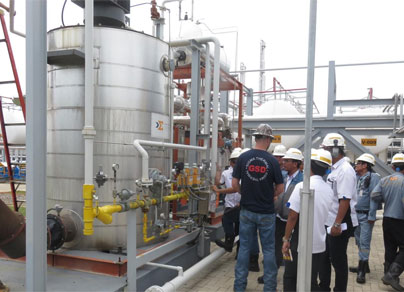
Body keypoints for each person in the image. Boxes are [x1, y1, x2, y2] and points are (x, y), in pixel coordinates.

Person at [232, 123, 284, 292]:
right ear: (268, 139)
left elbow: (234, 184)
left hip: (247, 211)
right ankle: (269, 288)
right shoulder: (272, 161)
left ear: (256, 137)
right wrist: (271, 196)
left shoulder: (243, 158)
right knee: (268, 250)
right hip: (267, 213)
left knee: (244, 248)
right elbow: (281, 189)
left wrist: (244, 194)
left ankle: (239, 287)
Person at [282, 149, 333, 291]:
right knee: (310, 279)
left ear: (309, 165)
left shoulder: (302, 187)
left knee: (291, 277)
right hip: (319, 242)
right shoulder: (328, 190)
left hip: (300, 241)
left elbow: (292, 216)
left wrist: (286, 239)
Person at [257, 147, 303, 284]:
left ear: (295, 163)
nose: (283, 162)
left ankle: (294, 277)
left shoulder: (302, 180)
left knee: (292, 249)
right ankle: (270, 275)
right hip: (278, 218)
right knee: (275, 248)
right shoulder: (282, 176)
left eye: (287, 160)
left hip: (294, 220)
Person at [319, 133, 358, 292]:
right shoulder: (334, 169)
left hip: (340, 222)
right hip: (330, 220)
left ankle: (339, 289)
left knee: (338, 260)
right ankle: (324, 287)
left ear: (335, 150)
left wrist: (337, 224)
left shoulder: (345, 170)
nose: (324, 152)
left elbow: (345, 200)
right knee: (325, 257)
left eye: (327, 149)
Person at [370, 152, 404, 291]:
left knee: (390, 248)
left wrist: (387, 199)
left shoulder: (385, 180)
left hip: (387, 219)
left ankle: (388, 275)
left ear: (393, 166)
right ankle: (392, 274)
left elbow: (374, 195)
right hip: (401, 220)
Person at [348, 153, 380, 284]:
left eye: (359, 163)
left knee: (365, 243)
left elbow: (374, 197)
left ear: (365, 165)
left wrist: (372, 215)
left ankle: (362, 271)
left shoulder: (373, 177)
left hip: (366, 216)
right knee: (359, 241)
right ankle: (364, 265)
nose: (356, 165)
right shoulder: (356, 177)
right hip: (355, 214)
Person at [213, 148, 242, 254]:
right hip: (230, 204)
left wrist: (219, 191)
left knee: (240, 229)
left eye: (238, 161)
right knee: (227, 222)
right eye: (234, 161)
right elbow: (218, 182)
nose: (235, 164)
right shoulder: (226, 173)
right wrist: (218, 171)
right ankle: (229, 243)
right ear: (230, 162)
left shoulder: (244, 173)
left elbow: (236, 188)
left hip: (241, 204)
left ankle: (238, 251)